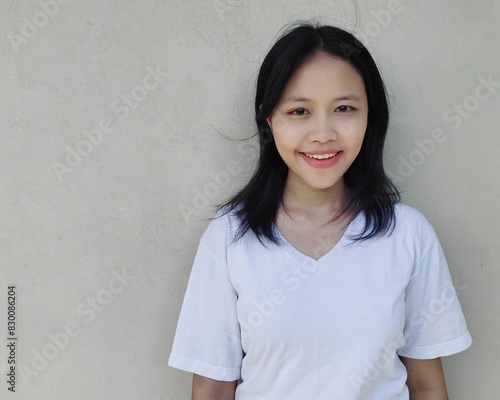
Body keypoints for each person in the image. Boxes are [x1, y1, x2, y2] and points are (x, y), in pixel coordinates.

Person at [168, 23, 472, 399]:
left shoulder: (409, 236)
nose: (323, 133)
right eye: (299, 111)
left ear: (369, 115)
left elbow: (427, 388)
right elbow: (211, 389)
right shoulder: (229, 238)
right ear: (269, 119)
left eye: (344, 108)